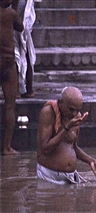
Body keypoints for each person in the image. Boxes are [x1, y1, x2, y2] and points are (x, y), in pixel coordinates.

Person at [36, 86, 96, 184]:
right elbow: (45, 149)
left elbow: (72, 147)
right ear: (60, 103)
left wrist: (91, 161)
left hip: (70, 177)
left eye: (77, 110)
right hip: (49, 176)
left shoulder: (77, 117)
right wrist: (67, 128)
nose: (74, 114)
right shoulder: (48, 113)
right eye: (71, 109)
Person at [0, 0, 24, 155]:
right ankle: (6, 147)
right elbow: (20, 27)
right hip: (8, 62)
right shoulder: (11, 14)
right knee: (10, 106)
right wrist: (15, 7)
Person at [13, 0, 36, 98]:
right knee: (25, 55)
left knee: (15, 57)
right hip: (24, 24)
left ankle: (17, 90)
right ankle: (29, 89)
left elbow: (14, 6)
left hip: (19, 24)